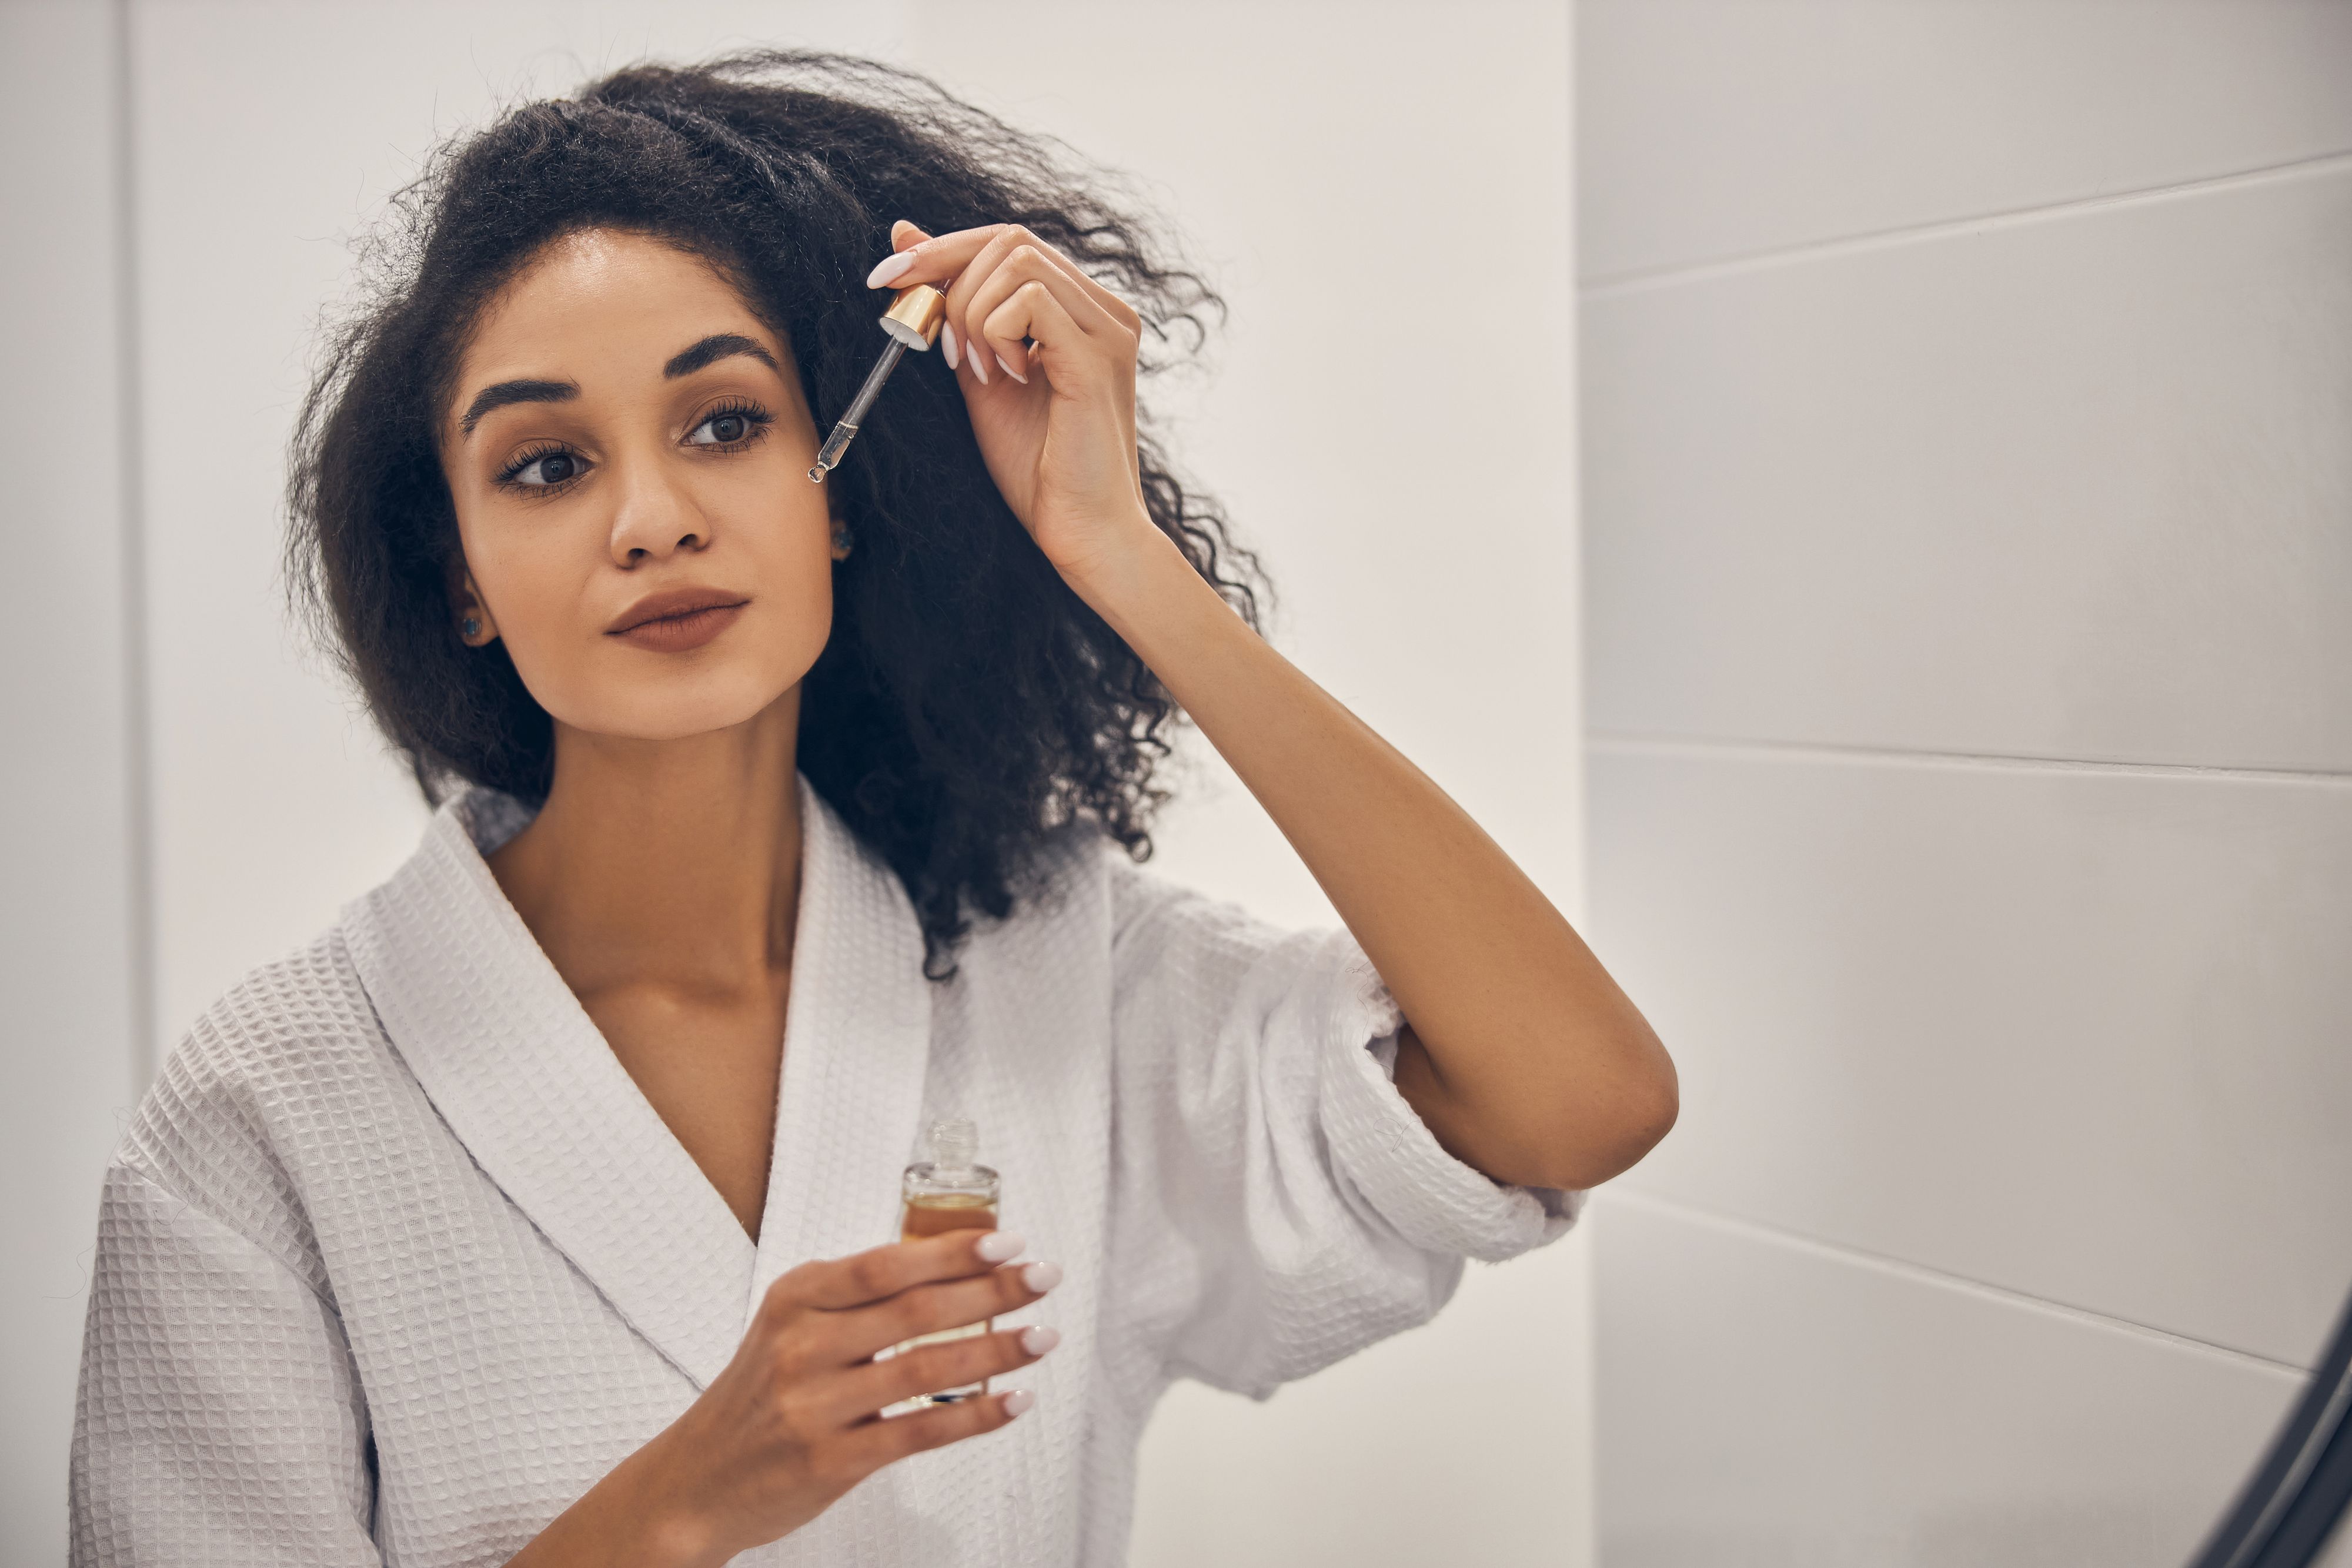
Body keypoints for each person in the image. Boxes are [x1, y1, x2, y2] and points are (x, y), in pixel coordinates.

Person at [68, 48, 1675, 1568]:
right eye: (548, 466)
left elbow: (1580, 1098)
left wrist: (1124, 560)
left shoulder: (1049, 973)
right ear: (461, 578)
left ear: (836, 498)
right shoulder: (263, 1115)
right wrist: (687, 1500)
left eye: (726, 423)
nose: (652, 520)